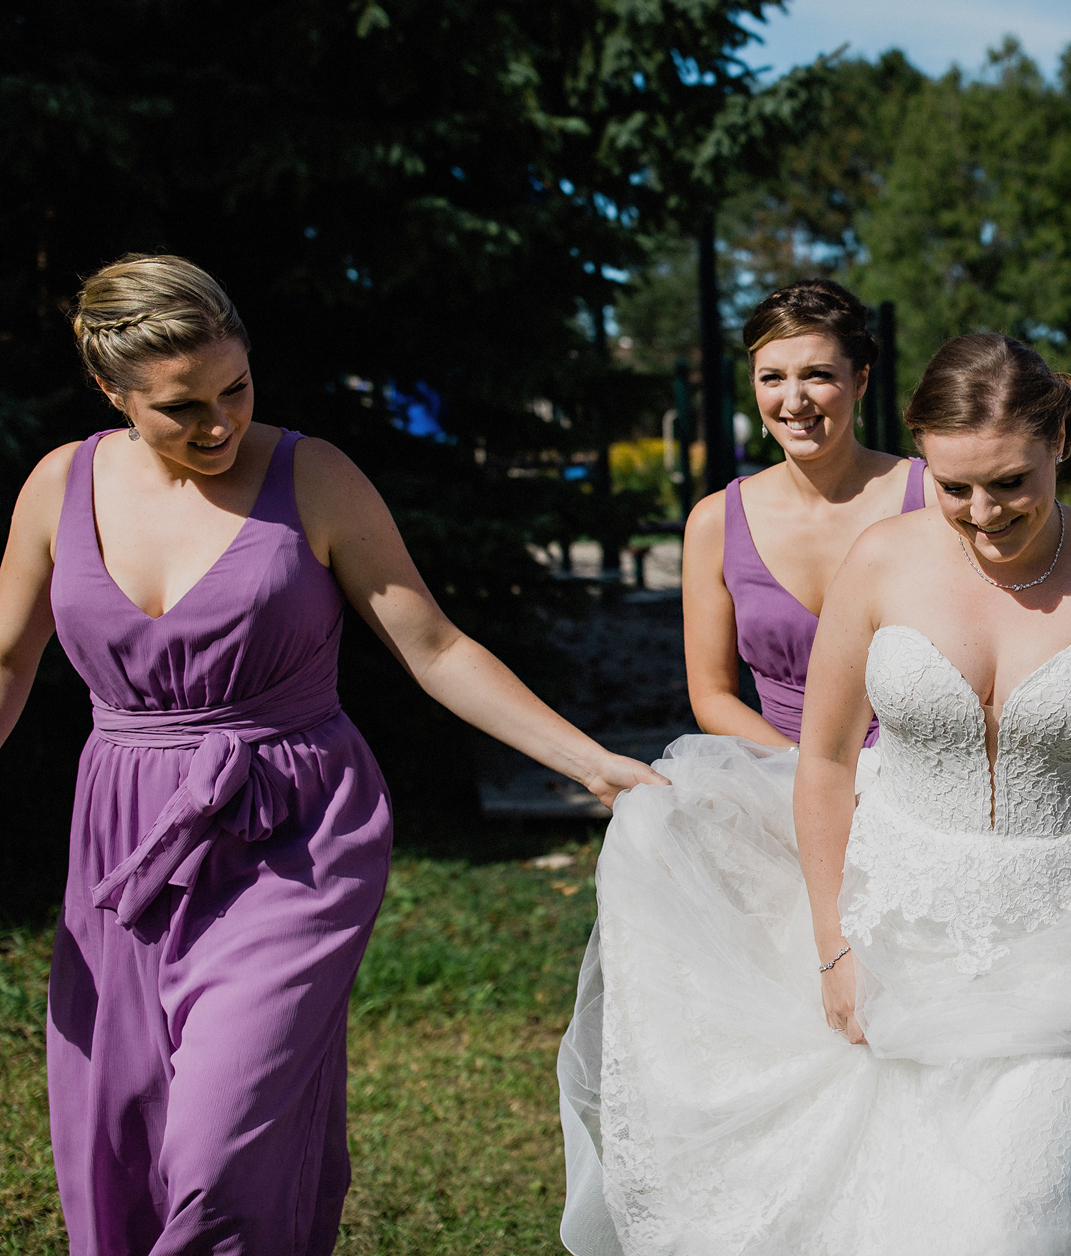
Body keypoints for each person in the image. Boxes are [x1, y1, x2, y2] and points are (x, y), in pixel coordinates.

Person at [0, 253, 661, 1255]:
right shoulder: (60, 484)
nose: (220, 423)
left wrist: (591, 764)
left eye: (236, 387)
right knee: (126, 1134)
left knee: (223, 1144)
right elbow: (6, 661)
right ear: (112, 391)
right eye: (183, 407)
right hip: (125, 841)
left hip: (293, 837)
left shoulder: (312, 476)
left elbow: (432, 646)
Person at [558, 334, 1071, 1255]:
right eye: (954, 485)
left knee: (1011, 1222)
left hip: (1070, 935)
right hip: (899, 924)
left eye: (1009, 482)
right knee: (894, 1203)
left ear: (1061, 443)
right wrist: (833, 944)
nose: (981, 511)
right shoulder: (883, 562)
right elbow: (829, 761)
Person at [680, 279, 930, 747]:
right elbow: (712, 695)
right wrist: (811, 775)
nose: (793, 402)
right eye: (772, 378)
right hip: (777, 776)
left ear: (860, 381)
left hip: (923, 778)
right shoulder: (714, 524)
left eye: (817, 375)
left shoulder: (934, 497)